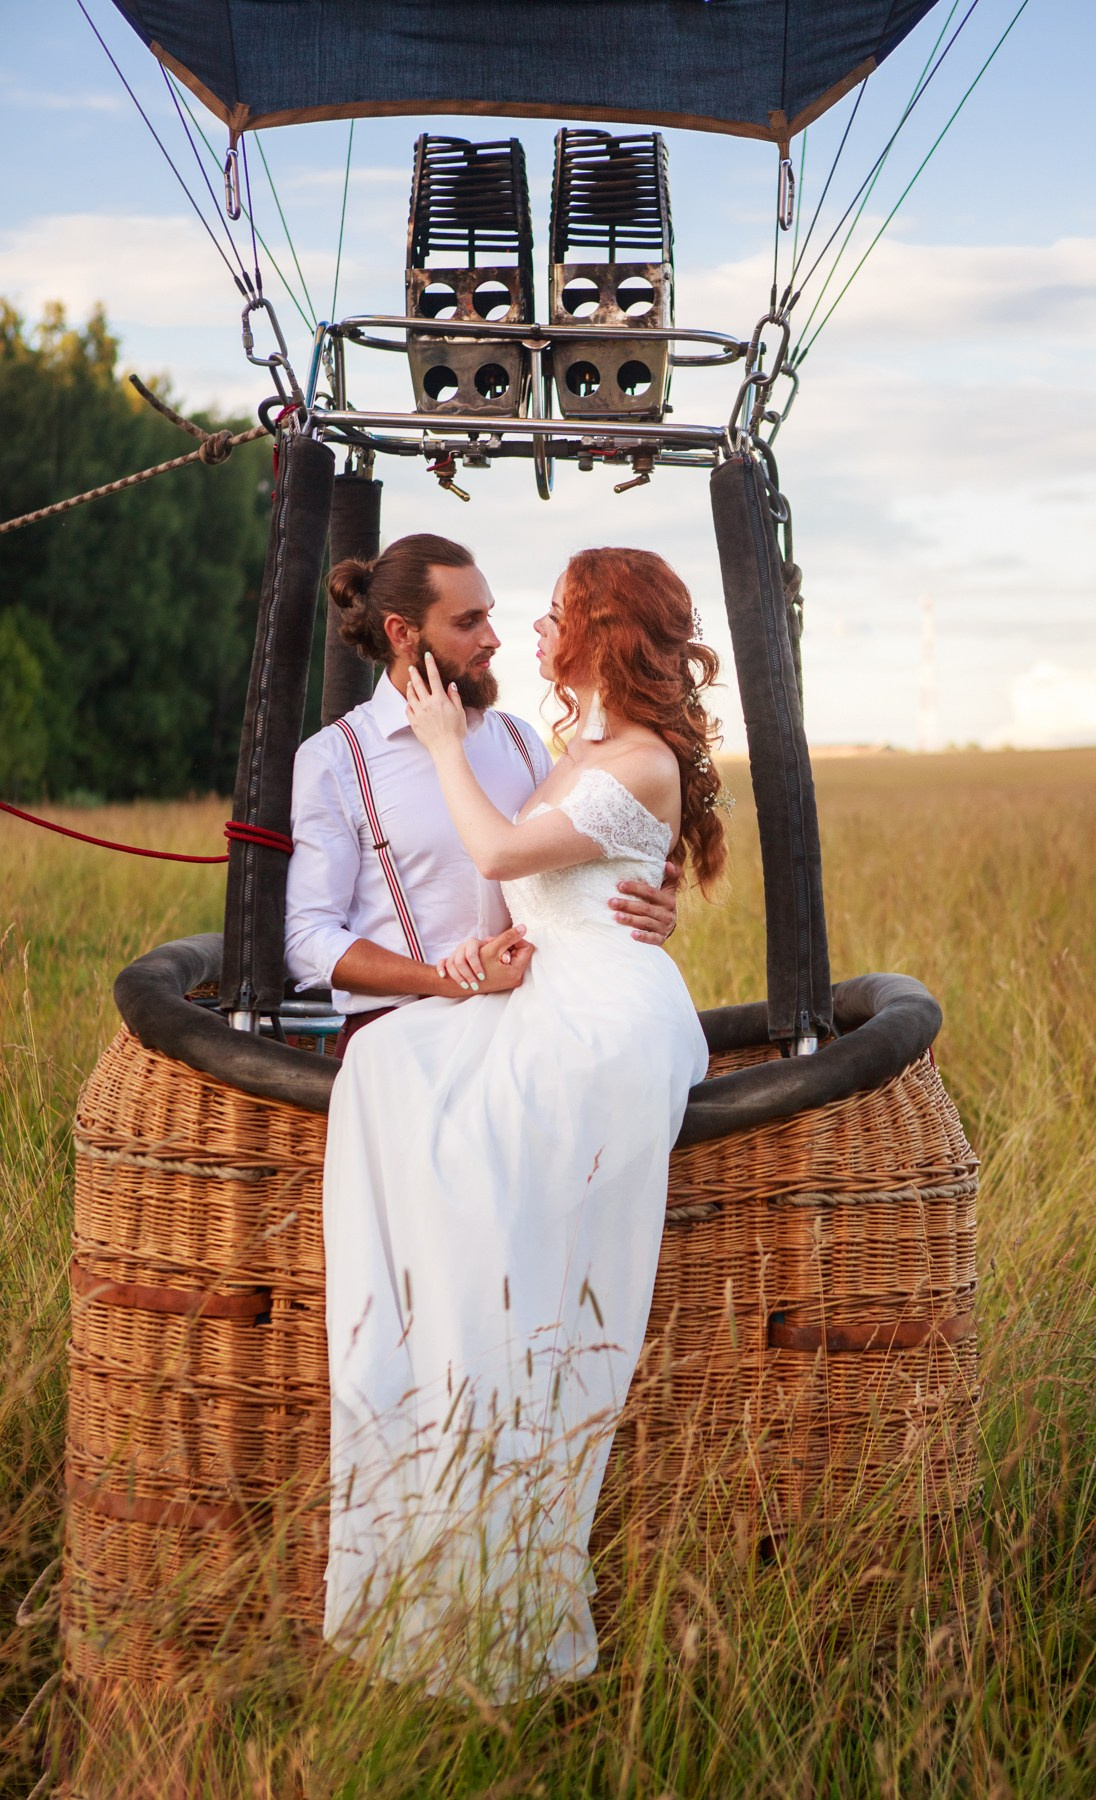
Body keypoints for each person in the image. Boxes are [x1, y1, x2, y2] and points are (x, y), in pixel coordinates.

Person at [319, 545, 728, 1701]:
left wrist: (442, 746)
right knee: (389, 1060)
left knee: (473, 1159)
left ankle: (500, 1504)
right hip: (553, 990)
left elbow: (499, 851)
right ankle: (431, 1398)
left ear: (603, 630)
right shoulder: (578, 753)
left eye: (555, 612)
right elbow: (552, 887)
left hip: (603, 1021)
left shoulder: (641, 759)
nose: (534, 631)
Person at [284, 533, 679, 1054]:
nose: (493, 639)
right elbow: (307, 939)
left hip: (536, 1030)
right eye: (467, 622)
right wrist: (445, 980)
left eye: (489, 616)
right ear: (402, 633)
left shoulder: (521, 741)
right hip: (402, 1037)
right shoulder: (336, 758)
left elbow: (572, 865)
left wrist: (645, 901)